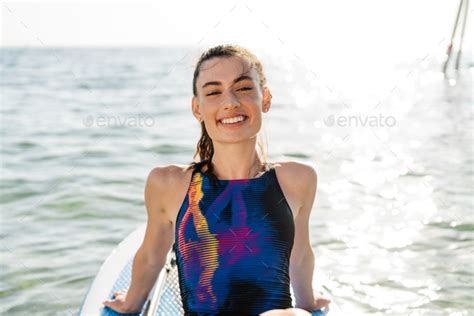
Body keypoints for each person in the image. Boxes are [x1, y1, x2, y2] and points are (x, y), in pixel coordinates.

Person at [103, 44, 331, 315]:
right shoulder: (169, 184)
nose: (230, 102)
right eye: (213, 92)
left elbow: (300, 254)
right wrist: (131, 304)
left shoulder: (298, 180)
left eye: (244, 88)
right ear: (197, 108)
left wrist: (309, 304)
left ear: (265, 98)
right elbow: (152, 256)